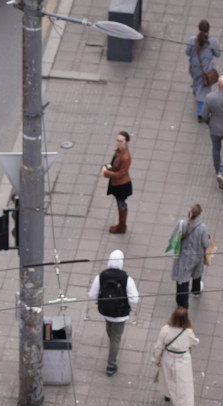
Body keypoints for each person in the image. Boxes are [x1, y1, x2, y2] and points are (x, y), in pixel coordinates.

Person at [87, 248, 139, 376]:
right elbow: (134, 299)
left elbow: (92, 295)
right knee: (116, 338)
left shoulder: (101, 276)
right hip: (121, 314)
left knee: (110, 329)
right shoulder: (126, 279)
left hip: (105, 311)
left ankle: (112, 347)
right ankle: (111, 363)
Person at [152, 307, 199, 406]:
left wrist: (156, 359)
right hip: (183, 360)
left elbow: (158, 346)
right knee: (181, 385)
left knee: (167, 378)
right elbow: (194, 342)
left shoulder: (165, 329)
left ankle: (167, 395)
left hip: (168, 358)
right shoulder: (187, 331)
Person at [169, 204, 213, 308]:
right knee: (197, 274)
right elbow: (206, 244)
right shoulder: (202, 228)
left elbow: (172, 239)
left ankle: (182, 304)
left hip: (183, 258)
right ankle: (196, 291)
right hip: (196, 257)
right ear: (198, 215)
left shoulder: (180, 224)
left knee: (182, 280)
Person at [185, 21, 221, 119]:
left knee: (197, 83)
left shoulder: (192, 40)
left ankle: (196, 91)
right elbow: (218, 54)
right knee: (204, 91)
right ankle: (200, 113)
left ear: (198, 28)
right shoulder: (211, 41)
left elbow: (187, 52)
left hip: (194, 68)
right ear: (208, 29)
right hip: (206, 71)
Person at [100, 131, 132, 234]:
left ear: (126, 142)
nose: (118, 143)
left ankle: (122, 226)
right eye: (117, 140)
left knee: (121, 203)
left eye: (121, 141)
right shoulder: (119, 151)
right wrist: (107, 166)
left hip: (121, 185)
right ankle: (121, 225)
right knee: (120, 203)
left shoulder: (125, 157)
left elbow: (121, 174)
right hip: (118, 183)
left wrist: (106, 173)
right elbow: (114, 165)